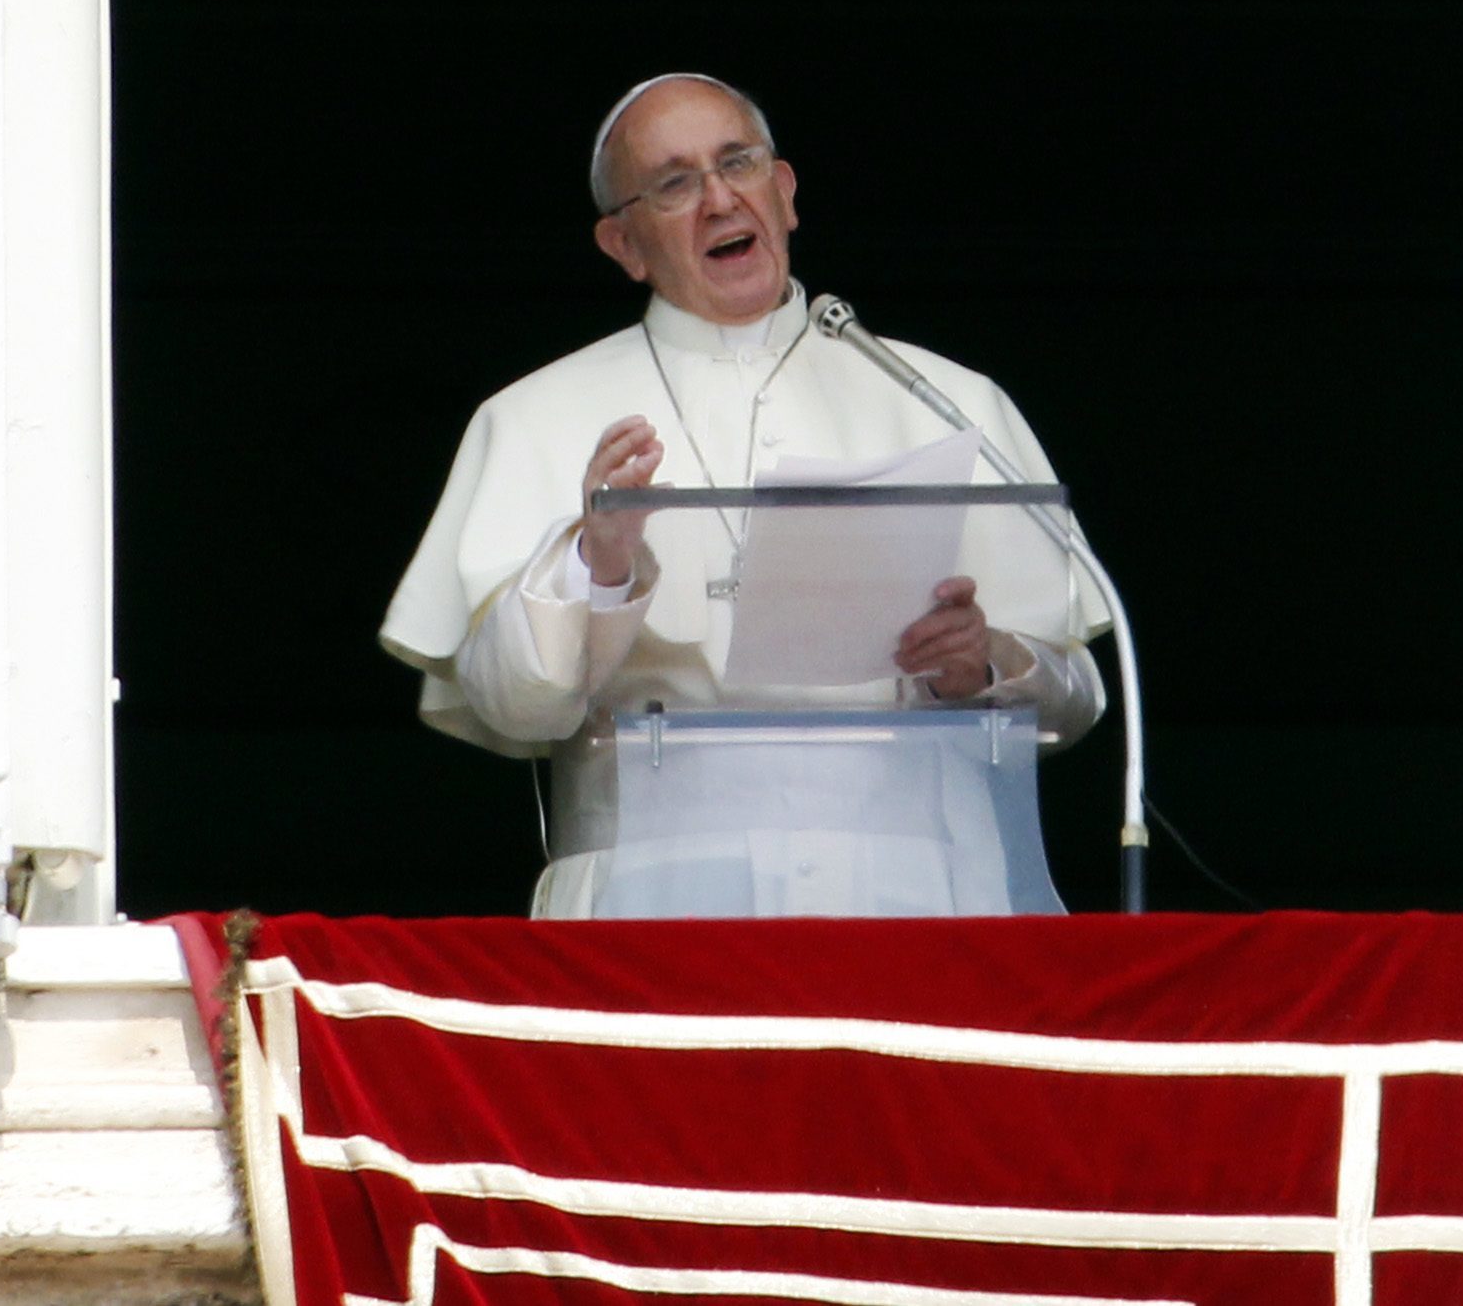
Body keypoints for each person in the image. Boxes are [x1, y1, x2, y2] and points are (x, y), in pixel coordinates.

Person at [379, 73, 1111, 916]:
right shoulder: (533, 415)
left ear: (786, 192)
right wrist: (598, 563)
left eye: (739, 163)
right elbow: (512, 708)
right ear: (623, 244)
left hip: (921, 899)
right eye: (675, 182)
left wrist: (984, 664)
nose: (719, 198)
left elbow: (1077, 697)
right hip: (654, 902)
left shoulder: (946, 398)